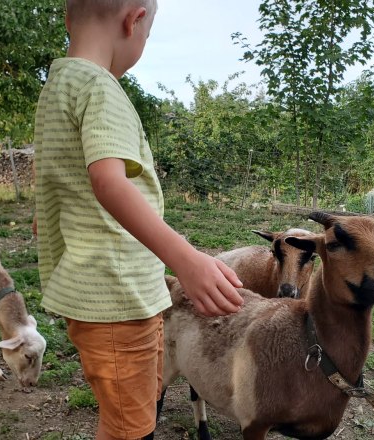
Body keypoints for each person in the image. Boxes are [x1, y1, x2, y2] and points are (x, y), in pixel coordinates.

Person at [33, 1, 244, 439]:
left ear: (70, 19)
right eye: (147, 36)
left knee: (121, 415)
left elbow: (63, 184)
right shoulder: (100, 88)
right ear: (134, 20)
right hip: (119, 300)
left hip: (91, 295)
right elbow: (109, 183)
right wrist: (186, 259)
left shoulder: (59, 84)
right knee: (133, 427)